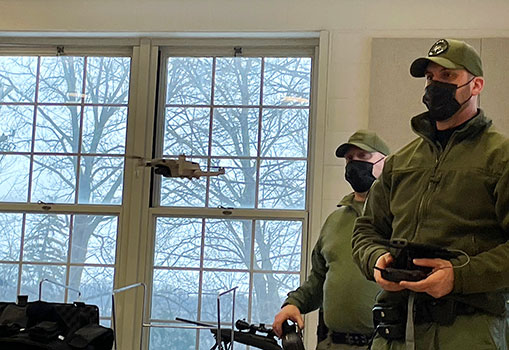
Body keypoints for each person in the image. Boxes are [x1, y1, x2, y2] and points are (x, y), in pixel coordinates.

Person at [352, 38, 509, 350]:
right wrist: (376, 260)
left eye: (448, 77)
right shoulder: (401, 161)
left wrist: (458, 276)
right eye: (430, 78)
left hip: (467, 332)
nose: (435, 85)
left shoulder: (500, 158)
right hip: (395, 330)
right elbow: (366, 230)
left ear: (476, 85)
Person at [272, 130, 390, 349]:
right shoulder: (335, 221)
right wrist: (294, 303)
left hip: (384, 343)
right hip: (333, 343)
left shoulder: (400, 217)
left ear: (385, 162)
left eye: (363, 157)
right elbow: (318, 278)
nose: (354, 164)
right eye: (349, 159)